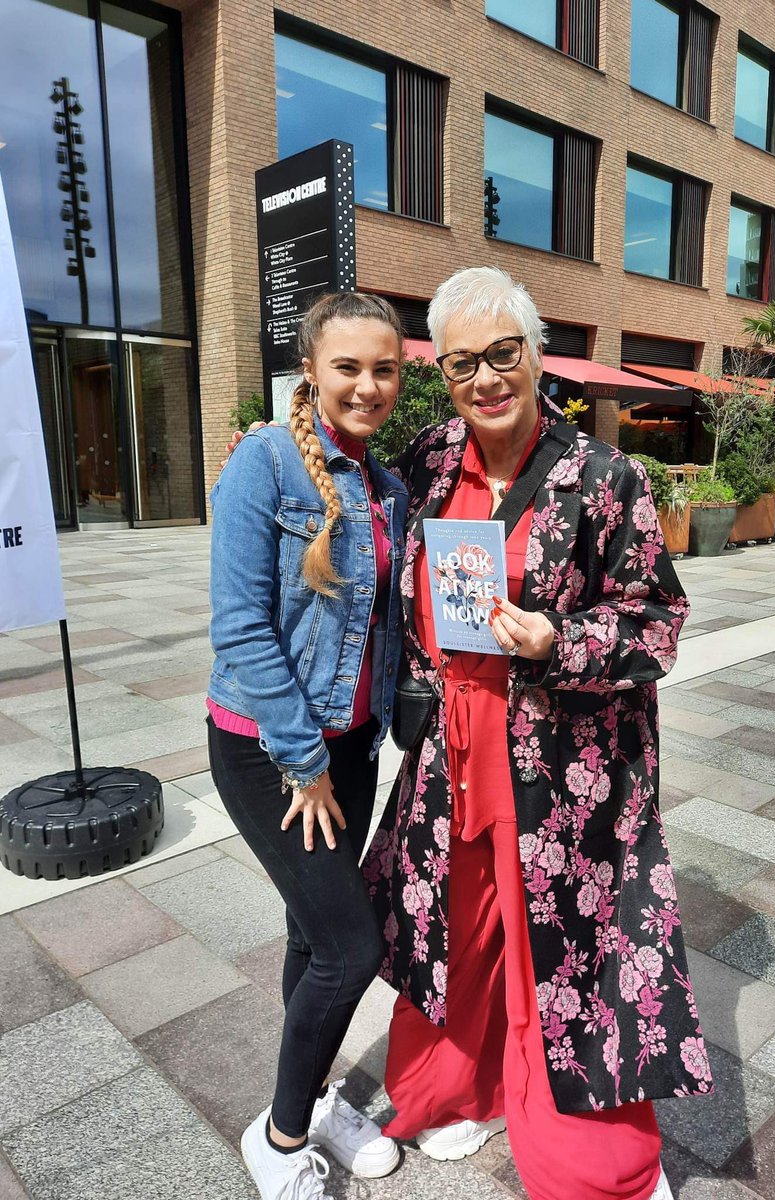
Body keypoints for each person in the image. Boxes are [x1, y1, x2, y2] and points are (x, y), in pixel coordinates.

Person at [362, 267, 711, 1200]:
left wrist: (563, 640)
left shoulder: (607, 477)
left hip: (567, 768)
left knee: (563, 943)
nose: (486, 379)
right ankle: (456, 1090)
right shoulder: (433, 460)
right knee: (460, 932)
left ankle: (587, 1152)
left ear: (534, 349)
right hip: (454, 755)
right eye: (463, 362)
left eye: (503, 353)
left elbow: (656, 623)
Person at [207, 291, 409, 1200]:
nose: (368, 386)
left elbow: (384, 625)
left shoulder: (389, 485)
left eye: (386, 368)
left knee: (310, 932)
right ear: (311, 369)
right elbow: (241, 627)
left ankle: (317, 1096)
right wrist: (304, 758)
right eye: (349, 367)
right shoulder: (266, 460)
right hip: (272, 752)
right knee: (349, 948)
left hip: (356, 747)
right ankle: (281, 1137)